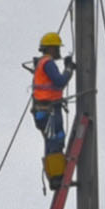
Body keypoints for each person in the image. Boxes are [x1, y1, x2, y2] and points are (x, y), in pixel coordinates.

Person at [27, 32, 73, 186]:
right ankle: (56, 176)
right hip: (50, 111)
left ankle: (54, 176)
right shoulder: (48, 63)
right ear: (51, 48)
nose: (58, 51)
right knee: (56, 139)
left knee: (51, 141)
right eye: (57, 48)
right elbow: (59, 82)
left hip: (43, 111)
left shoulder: (41, 63)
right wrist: (68, 69)